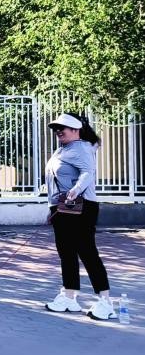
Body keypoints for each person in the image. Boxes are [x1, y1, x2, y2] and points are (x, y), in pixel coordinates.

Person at [43, 113, 115, 321]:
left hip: (81, 206)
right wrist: (53, 207)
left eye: (62, 127)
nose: (58, 131)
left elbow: (87, 172)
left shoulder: (81, 147)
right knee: (66, 252)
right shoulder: (63, 149)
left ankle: (105, 301)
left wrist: (75, 190)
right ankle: (69, 297)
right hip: (63, 207)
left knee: (87, 252)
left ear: (76, 130)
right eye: (55, 128)